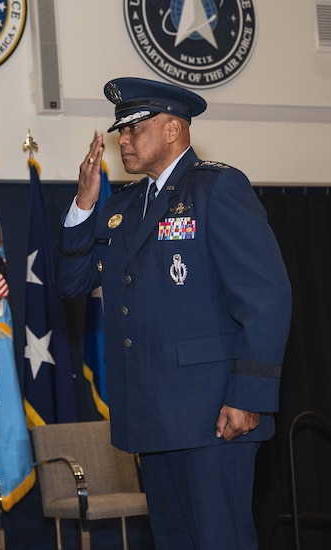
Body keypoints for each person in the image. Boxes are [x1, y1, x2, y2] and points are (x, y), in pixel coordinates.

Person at [57, 76, 292, 549]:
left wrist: (248, 395)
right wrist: (85, 204)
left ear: (172, 130)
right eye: (118, 130)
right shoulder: (123, 206)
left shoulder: (217, 189)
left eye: (133, 128)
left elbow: (266, 298)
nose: (121, 139)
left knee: (219, 540)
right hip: (152, 414)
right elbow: (74, 282)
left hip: (213, 415)